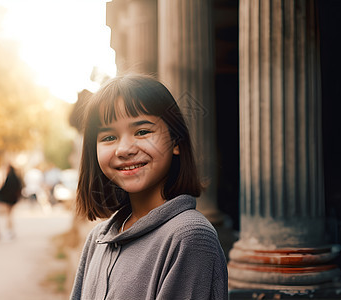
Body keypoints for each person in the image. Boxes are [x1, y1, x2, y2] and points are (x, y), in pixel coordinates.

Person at [70, 74, 228, 299]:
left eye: (142, 132)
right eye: (108, 137)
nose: (124, 149)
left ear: (175, 141)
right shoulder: (98, 239)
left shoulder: (190, 237)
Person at [0, 164, 22, 239]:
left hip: (8, 199)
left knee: (8, 215)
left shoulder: (9, 178)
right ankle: (11, 230)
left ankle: (9, 230)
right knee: (10, 215)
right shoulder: (16, 178)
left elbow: (4, 188)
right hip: (13, 199)